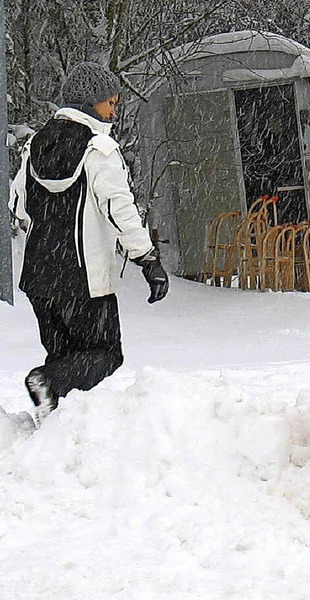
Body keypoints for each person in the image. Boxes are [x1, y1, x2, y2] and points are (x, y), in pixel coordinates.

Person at [8, 61, 169, 426]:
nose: (114, 110)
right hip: (82, 276)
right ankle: (45, 382)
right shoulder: (98, 148)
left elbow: (17, 202)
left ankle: (56, 434)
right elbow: (119, 209)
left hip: (39, 275)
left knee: (65, 358)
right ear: (89, 102)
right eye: (109, 102)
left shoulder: (36, 144)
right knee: (105, 353)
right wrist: (147, 259)